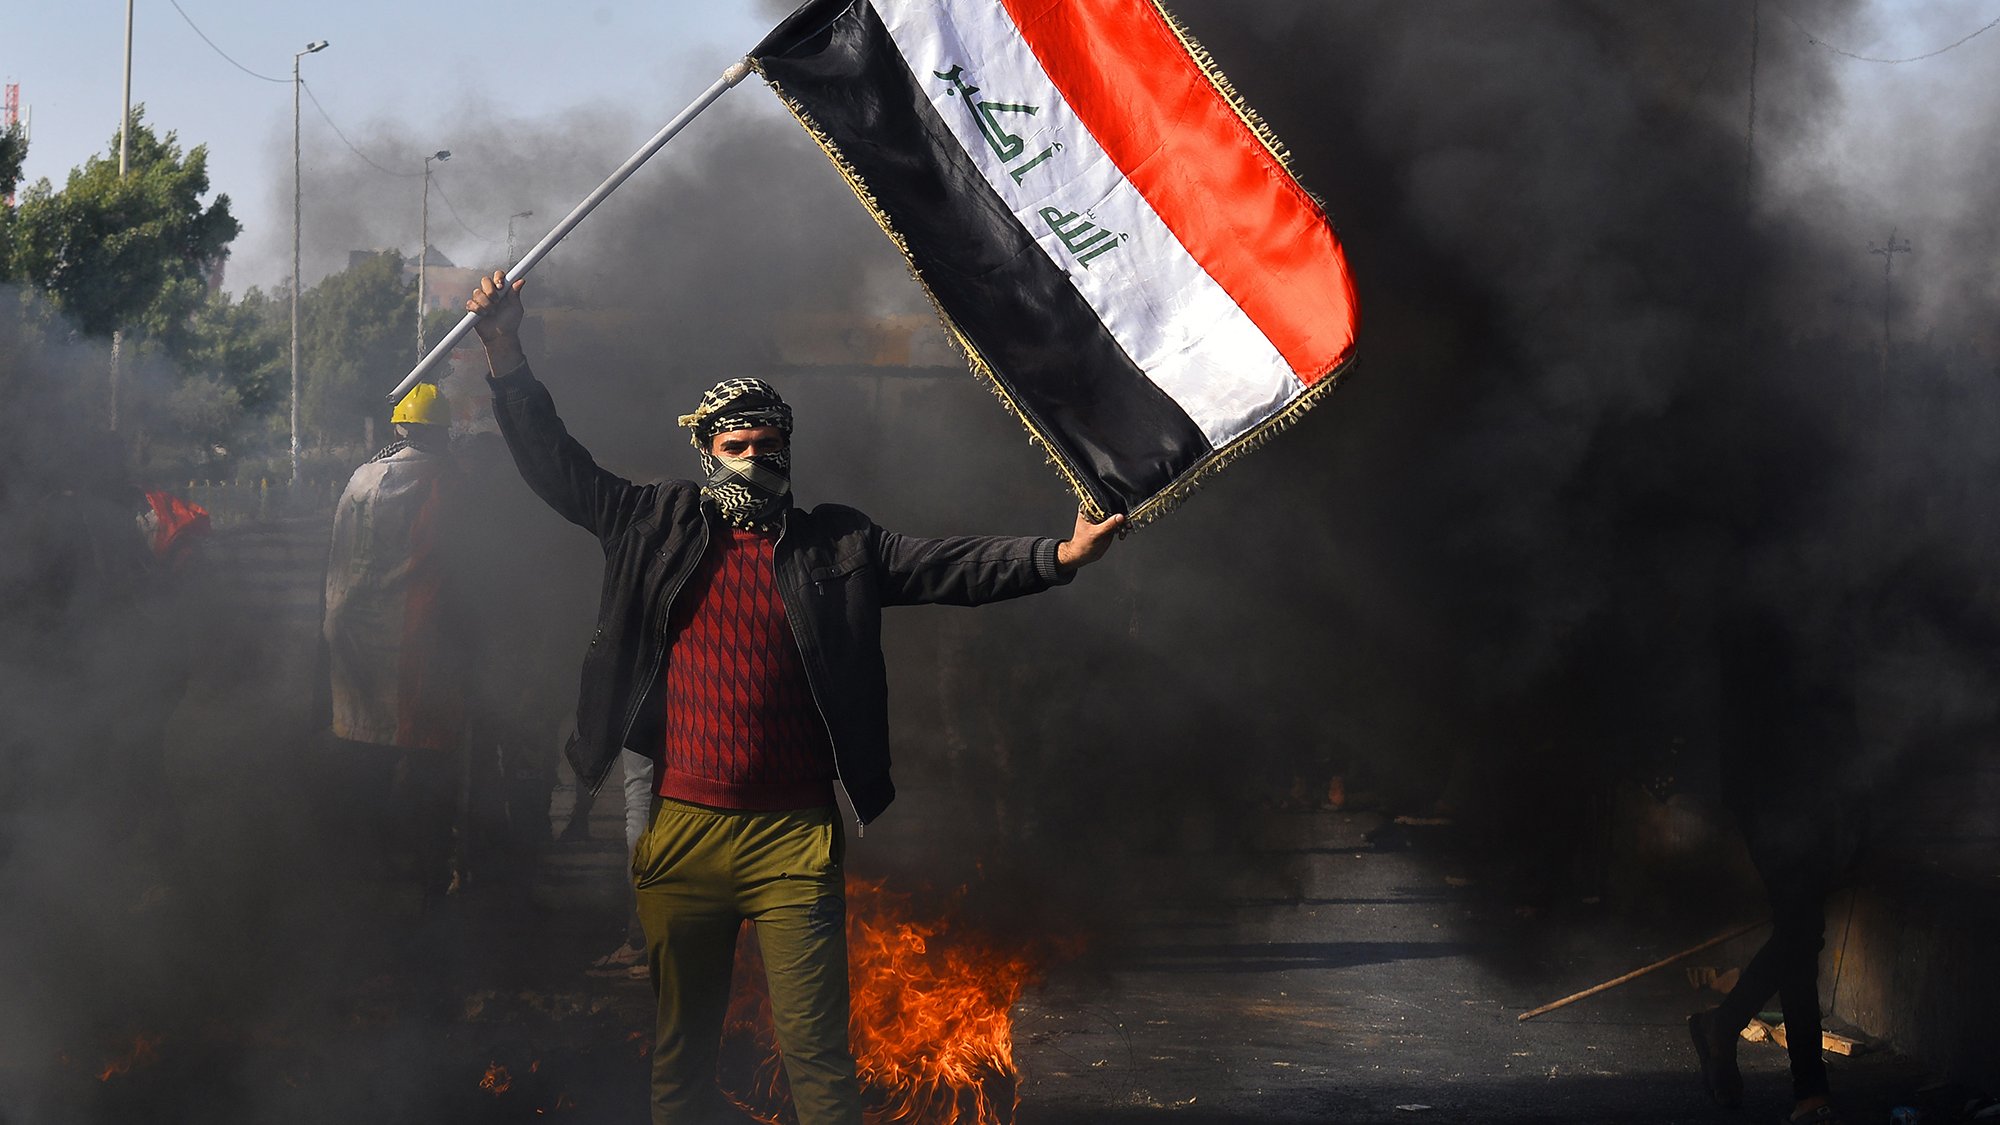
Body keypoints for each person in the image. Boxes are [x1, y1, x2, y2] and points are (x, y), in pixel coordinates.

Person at [465, 270, 1121, 1125]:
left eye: (770, 444)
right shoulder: (651, 521)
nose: (756, 460)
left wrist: (1057, 557)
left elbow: (948, 565)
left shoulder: (837, 544)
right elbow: (558, 464)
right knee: (680, 1061)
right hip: (683, 836)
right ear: (706, 449)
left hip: (795, 844)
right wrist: (505, 350)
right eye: (737, 446)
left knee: (819, 1065)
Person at [1688, 603, 1864, 1125]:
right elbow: (1751, 702)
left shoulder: (1819, 585)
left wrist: (1856, 798)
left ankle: (1727, 1031)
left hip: (1814, 786)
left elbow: (1837, 698)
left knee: (1800, 930)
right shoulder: (1754, 592)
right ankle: (1809, 1090)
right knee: (1800, 926)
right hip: (1767, 787)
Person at [323, 384, 472, 904]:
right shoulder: (449, 484)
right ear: (440, 431)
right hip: (419, 643)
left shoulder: (359, 479)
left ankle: (360, 873)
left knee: (366, 755)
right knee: (426, 760)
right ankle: (425, 873)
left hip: (353, 638)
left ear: (398, 427)